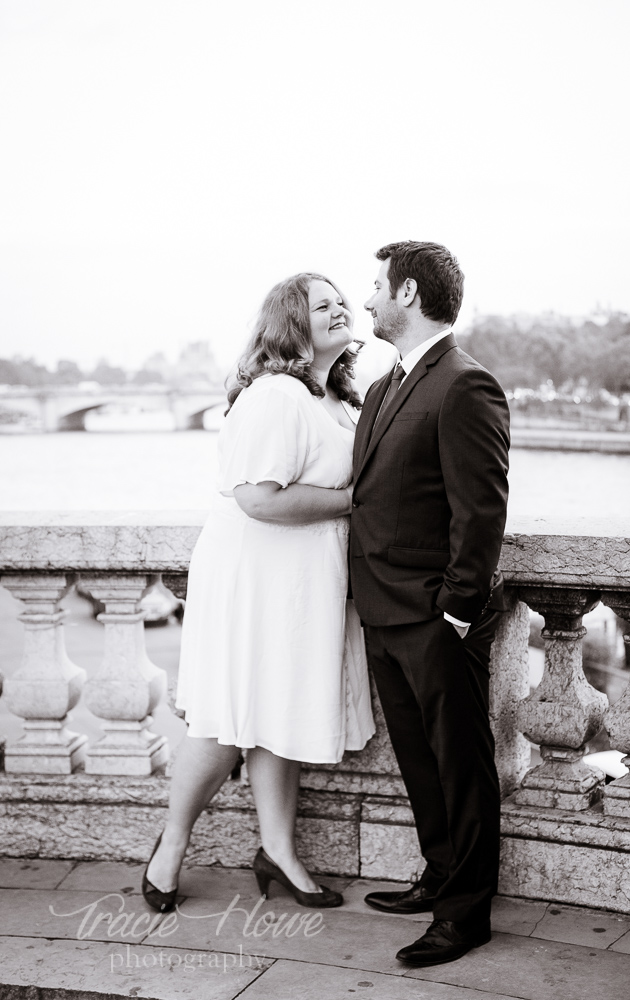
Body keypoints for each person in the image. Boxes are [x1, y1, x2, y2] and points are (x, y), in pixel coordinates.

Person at [142, 272, 375, 912]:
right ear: (291, 323)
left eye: (341, 302)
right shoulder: (276, 394)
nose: (338, 310)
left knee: (280, 713)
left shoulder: (339, 402)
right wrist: (360, 500)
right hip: (256, 575)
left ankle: (279, 853)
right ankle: (170, 847)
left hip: (305, 579)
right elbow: (257, 499)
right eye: (320, 304)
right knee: (226, 717)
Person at [349, 241, 510, 966]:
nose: (366, 300)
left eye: (375, 287)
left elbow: (479, 512)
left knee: (459, 765)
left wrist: (454, 609)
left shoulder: (465, 384)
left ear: (407, 293)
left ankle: (464, 914)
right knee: (418, 760)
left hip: (432, 617)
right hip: (382, 611)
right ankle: (438, 874)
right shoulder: (386, 386)